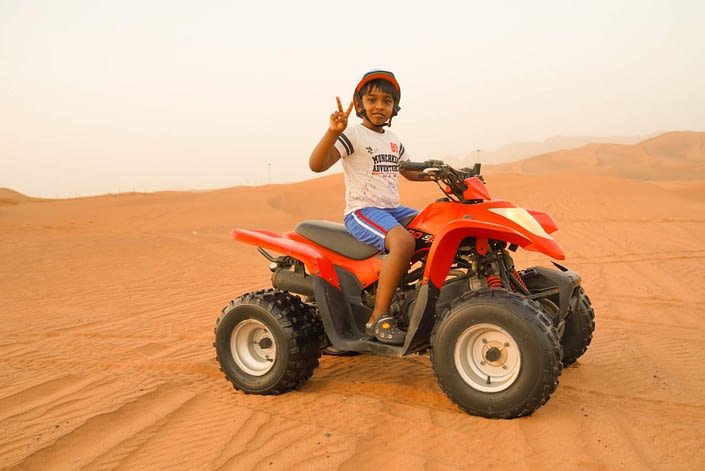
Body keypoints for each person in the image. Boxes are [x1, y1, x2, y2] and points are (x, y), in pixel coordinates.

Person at [309, 70, 432, 345]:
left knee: (434, 225)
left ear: (394, 107)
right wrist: (332, 132)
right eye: (372, 99)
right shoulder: (353, 134)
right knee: (402, 242)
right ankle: (379, 316)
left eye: (386, 101)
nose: (379, 106)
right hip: (362, 211)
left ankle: (419, 297)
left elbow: (410, 172)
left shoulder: (393, 139)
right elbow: (317, 164)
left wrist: (438, 172)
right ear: (360, 103)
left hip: (392, 209)